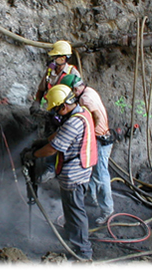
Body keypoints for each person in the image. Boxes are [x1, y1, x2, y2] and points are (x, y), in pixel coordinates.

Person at [23, 84, 98, 260]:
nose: (56, 114)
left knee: (75, 211)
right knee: (72, 209)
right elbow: (57, 135)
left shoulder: (73, 123)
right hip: (81, 170)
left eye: (56, 110)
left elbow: (52, 148)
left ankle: (83, 252)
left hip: (74, 174)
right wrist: (42, 141)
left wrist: (33, 154)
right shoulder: (82, 113)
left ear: (63, 106)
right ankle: (73, 236)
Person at [60, 74, 114, 225]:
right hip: (101, 136)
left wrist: (87, 135)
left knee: (101, 175)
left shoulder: (85, 99)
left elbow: (96, 116)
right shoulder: (89, 91)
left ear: (75, 89)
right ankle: (92, 198)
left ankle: (107, 211)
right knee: (91, 169)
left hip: (99, 139)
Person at [30, 40, 81, 116]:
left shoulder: (73, 73)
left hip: (64, 111)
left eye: (55, 57)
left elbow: (78, 95)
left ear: (63, 58)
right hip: (52, 108)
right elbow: (41, 89)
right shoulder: (50, 70)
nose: (53, 59)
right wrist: (37, 102)